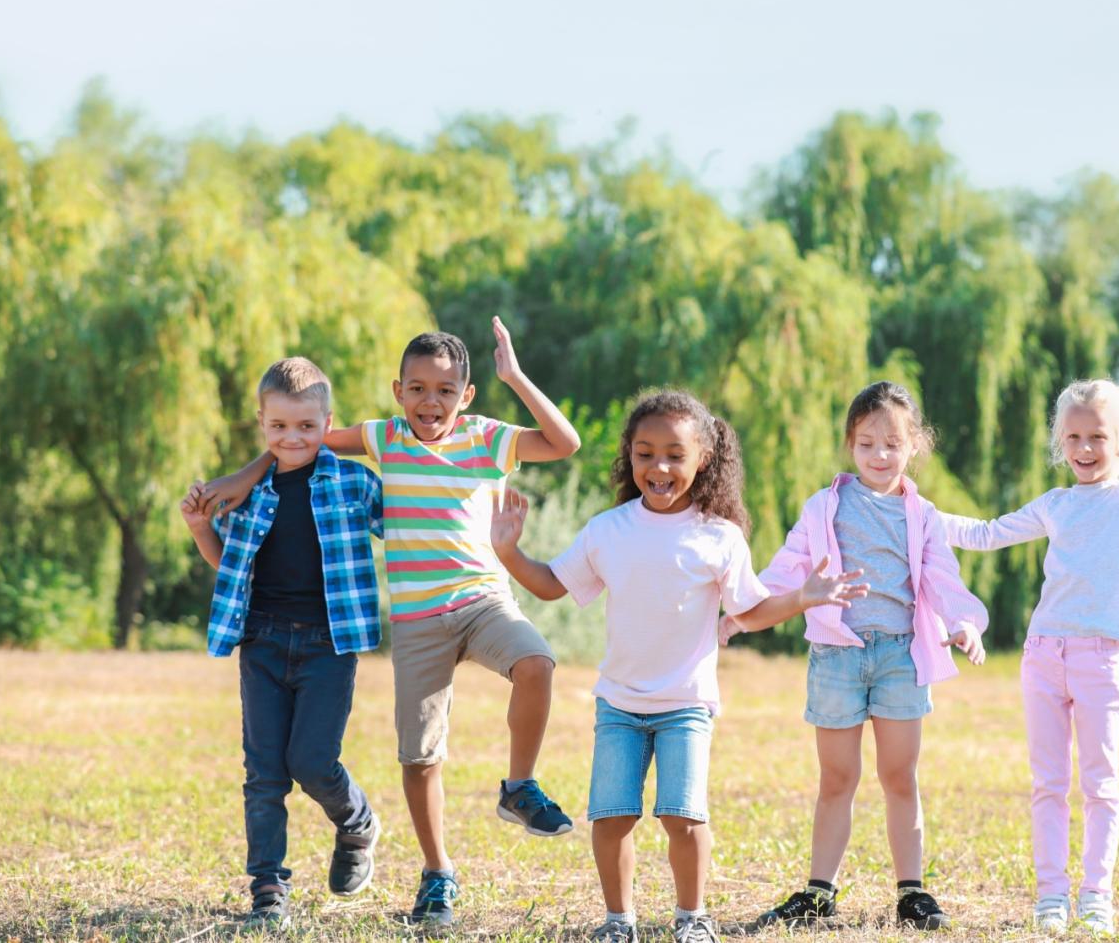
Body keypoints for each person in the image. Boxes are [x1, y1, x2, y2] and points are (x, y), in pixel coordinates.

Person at [196, 318, 580, 929]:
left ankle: (520, 786)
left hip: (481, 600)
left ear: (467, 395)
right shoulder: (386, 438)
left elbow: (565, 444)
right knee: (420, 756)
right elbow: (303, 438)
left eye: (446, 390)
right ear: (398, 391)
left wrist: (515, 376)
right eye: (419, 388)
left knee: (536, 662)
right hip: (418, 620)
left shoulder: (486, 437)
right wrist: (243, 477)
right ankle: (437, 874)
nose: (432, 401)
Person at [490, 389, 868, 943]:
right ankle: (619, 922)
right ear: (630, 457)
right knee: (612, 818)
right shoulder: (608, 530)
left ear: (703, 459)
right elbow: (551, 585)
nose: (658, 467)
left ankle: (692, 919)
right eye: (645, 453)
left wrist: (803, 597)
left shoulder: (719, 536)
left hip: (686, 706)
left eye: (674, 454)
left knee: (683, 819)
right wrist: (509, 555)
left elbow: (751, 610)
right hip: (618, 703)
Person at [941, 328, 1119, 935]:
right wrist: (915, 512)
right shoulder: (1054, 503)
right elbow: (984, 533)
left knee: (1101, 784)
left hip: (1101, 657)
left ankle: (1095, 898)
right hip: (1042, 656)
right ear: (1060, 442)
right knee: (1049, 784)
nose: (1084, 447)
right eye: (1073, 437)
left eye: (1097, 437)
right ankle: (1051, 898)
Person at [726, 381, 988, 932]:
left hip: (899, 657)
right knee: (837, 778)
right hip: (837, 657)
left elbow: (943, 582)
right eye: (867, 443)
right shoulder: (824, 506)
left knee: (900, 776)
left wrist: (966, 623)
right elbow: (787, 569)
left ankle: (911, 892)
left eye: (892, 443)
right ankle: (819, 892)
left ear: (914, 444)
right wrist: (741, 612)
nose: (879, 455)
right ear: (851, 444)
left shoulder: (923, 515)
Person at [179, 357, 384, 931]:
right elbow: (231, 570)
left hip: (329, 644)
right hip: (262, 643)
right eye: (278, 428)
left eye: (306, 427)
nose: (292, 439)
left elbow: (410, 528)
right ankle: (268, 887)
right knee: (264, 772)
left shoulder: (354, 482)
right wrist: (201, 529)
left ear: (328, 423)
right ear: (261, 425)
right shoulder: (244, 494)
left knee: (314, 763)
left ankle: (357, 823)